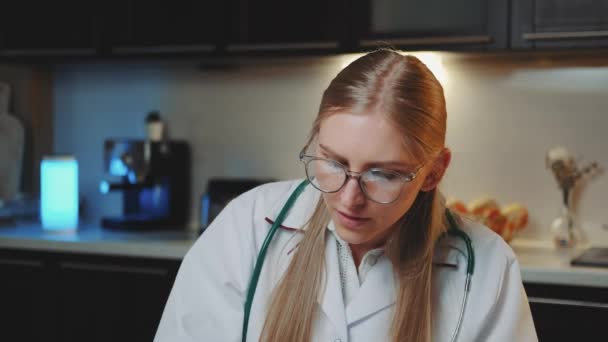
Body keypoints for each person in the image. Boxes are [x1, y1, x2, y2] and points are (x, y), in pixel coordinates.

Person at [154, 49, 538, 342]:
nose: (350, 198)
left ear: (434, 172)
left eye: (383, 174)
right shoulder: (246, 228)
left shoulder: (487, 269)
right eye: (333, 162)